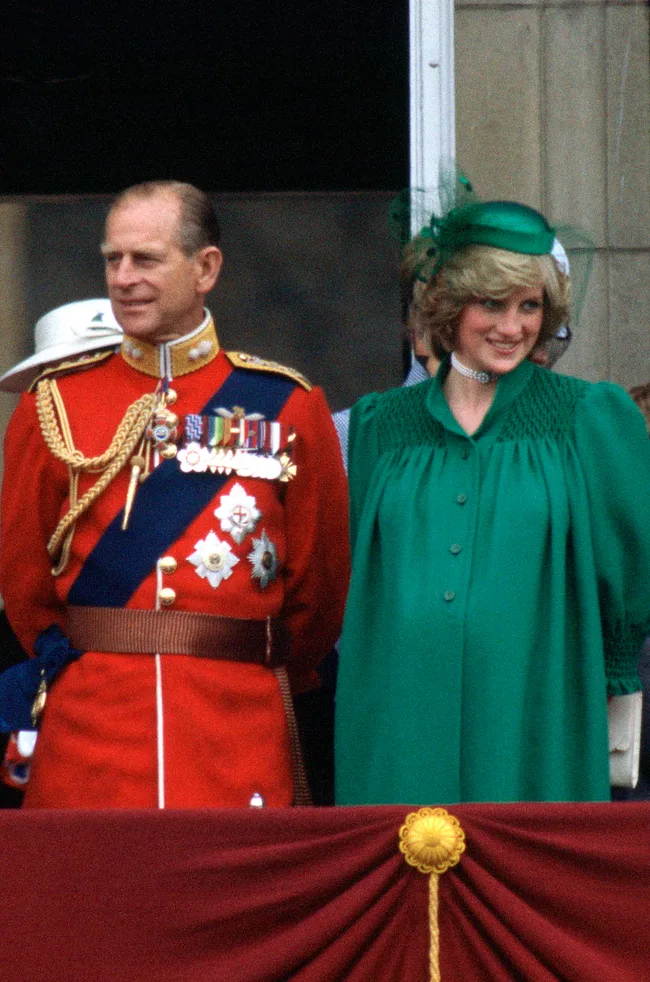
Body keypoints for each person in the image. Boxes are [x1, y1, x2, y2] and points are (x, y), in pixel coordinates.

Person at [0, 180, 349, 809]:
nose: (124, 278)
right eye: (113, 259)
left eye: (146, 259)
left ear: (206, 267)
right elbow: (26, 586)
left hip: (236, 731)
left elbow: (317, 597)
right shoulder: (52, 403)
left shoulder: (290, 405)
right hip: (92, 735)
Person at [335, 197, 650, 805]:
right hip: (397, 713)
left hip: (537, 709)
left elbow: (632, 557)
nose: (512, 327)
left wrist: (614, 669)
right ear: (451, 307)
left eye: (529, 306)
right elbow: (354, 572)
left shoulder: (587, 416)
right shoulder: (380, 425)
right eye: (491, 304)